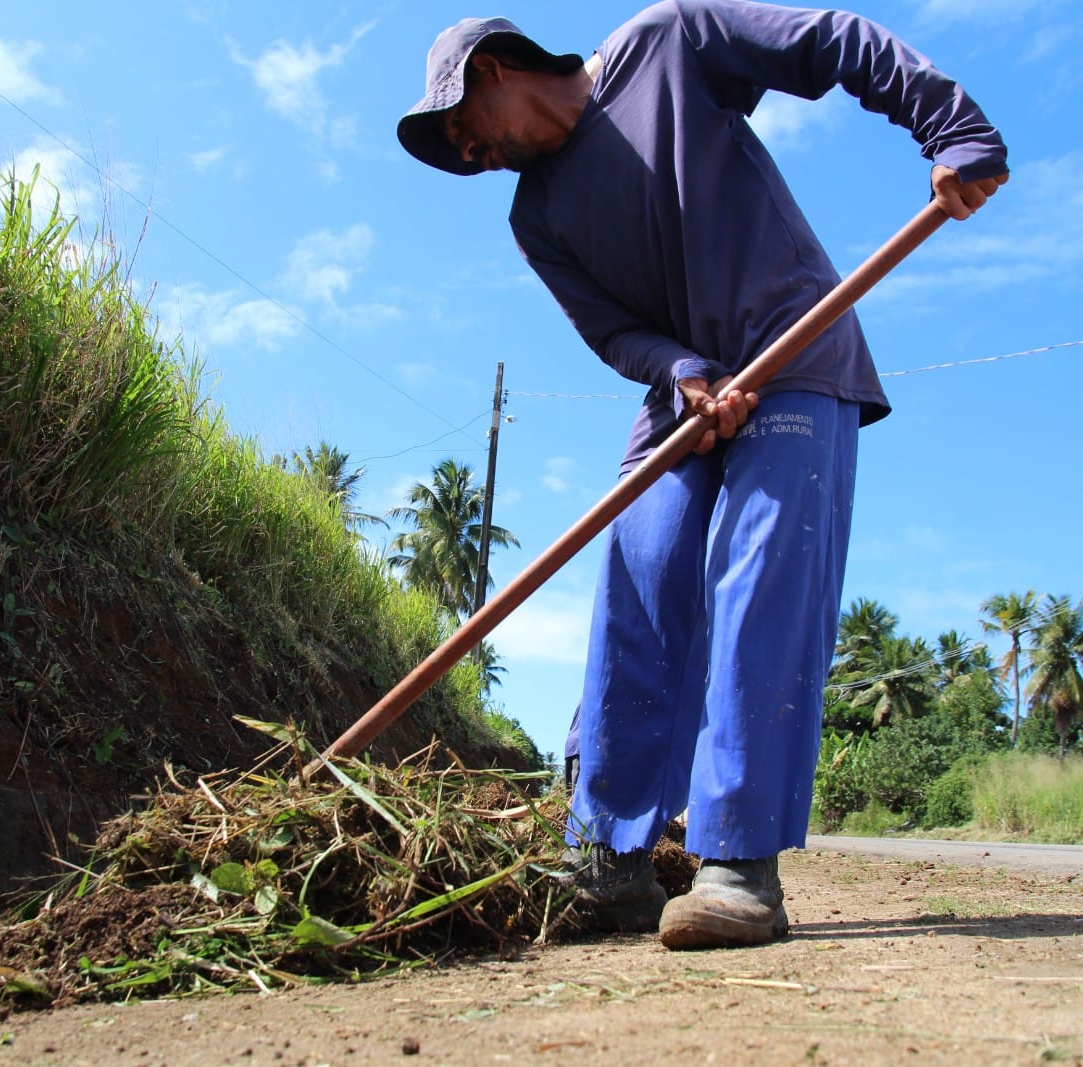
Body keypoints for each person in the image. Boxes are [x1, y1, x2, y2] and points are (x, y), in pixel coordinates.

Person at [397, 2, 1006, 950]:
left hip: (791, 348)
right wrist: (680, 371)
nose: (472, 158)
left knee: (758, 579)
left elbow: (830, 40)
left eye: (462, 134)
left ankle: (738, 866)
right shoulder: (536, 217)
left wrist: (951, 123)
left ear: (491, 72)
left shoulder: (666, 44)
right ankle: (608, 859)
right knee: (639, 571)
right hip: (683, 393)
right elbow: (612, 330)